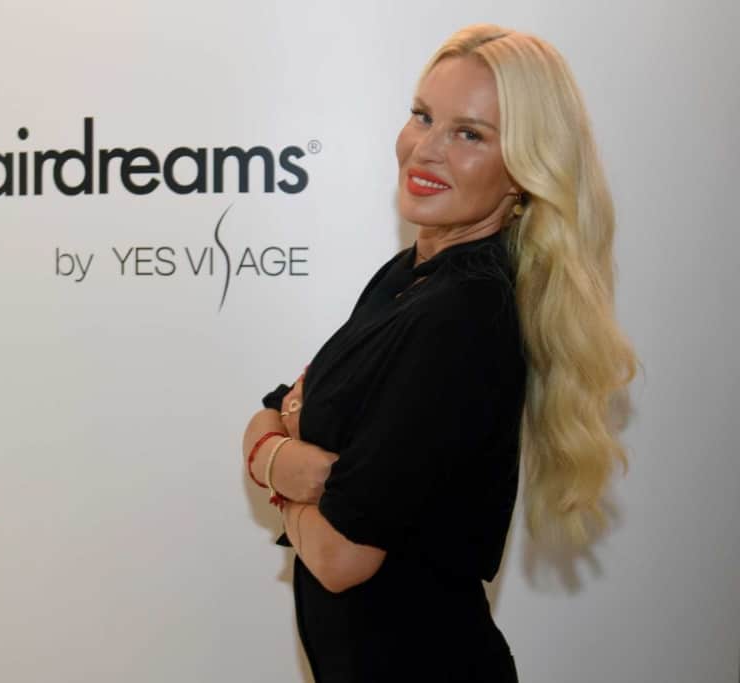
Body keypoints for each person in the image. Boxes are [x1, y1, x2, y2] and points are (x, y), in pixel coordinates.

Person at [241, 23, 639, 682]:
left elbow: (342, 557)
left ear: (523, 172)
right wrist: (285, 458)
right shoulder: (410, 274)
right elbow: (277, 409)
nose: (424, 149)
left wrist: (272, 462)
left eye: (469, 134)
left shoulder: (466, 311)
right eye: (423, 115)